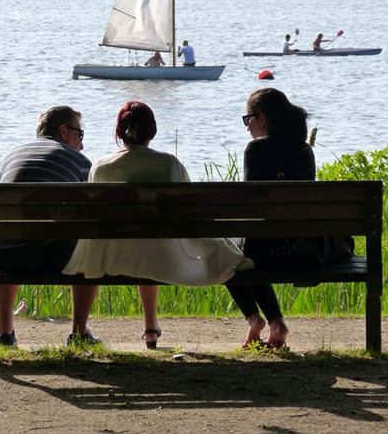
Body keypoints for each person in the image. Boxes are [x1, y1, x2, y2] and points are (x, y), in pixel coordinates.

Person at [62, 101, 248, 349]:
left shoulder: (101, 166)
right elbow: (190, 212)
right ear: (152, 132)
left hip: (111, 259)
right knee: (149, 241)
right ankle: (150, 327)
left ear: (119, 132)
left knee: (137, 240)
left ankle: (80, 331)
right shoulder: (169, 164)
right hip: (163, 256)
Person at [0, 105, 98, 347]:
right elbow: (93, 213)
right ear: (64, 131)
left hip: (0, 255)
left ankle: (4, 332)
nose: (82, 144)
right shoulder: (77, 161)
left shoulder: (11, 156)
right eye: (80, 135)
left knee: (7, 234)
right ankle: (79, 332)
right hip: (50, 254)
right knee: (89, 246)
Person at [228, 88, 315, 348]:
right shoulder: (305, 151)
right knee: (251, 249)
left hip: (267, 250)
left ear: (262, 118)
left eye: (248, 119)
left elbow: (250, 205)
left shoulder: (256, 149)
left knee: (228, 252)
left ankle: (258, 320)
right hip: (299, 248)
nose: (247, 127)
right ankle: (276, 325)